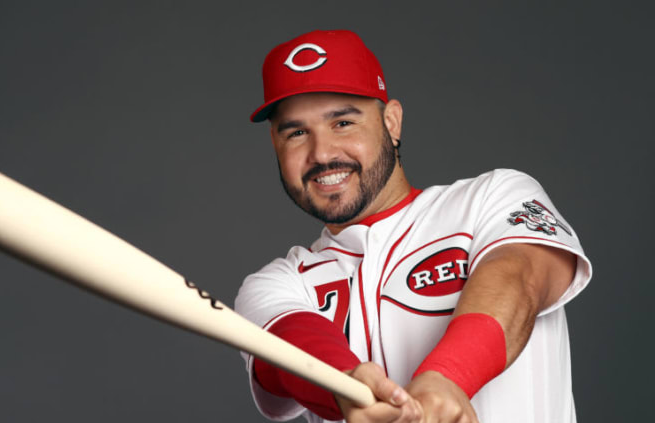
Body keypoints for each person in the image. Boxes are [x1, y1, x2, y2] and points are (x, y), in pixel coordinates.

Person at [235, 29, 592, 423]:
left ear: (391, 122)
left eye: (343, 123)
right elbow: (290, 346)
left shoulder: (491, 199)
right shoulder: (277, 284)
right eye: (297, 132)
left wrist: (448, 378)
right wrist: (347, 384)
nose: (322, 153)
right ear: (275, 144)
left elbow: (519, 278)